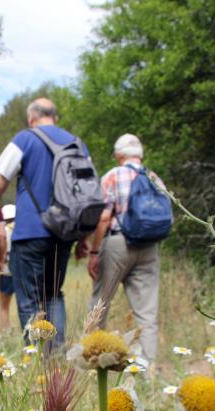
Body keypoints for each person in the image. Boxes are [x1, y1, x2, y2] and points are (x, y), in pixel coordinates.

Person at [0, 98, 89, 349]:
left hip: (30, 233)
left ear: (32, 118)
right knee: (54, 295)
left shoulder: (25, 139)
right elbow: (86, 195)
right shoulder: (77, 144)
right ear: (55, 118)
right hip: (64, 233)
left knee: (29, 299)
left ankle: (35, 356)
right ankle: (55, 355)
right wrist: (83, 238)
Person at [87, 134, 166, 363]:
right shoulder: (154, 178)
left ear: (118, 155)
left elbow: (104, 218)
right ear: (139, 155)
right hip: (150, 246)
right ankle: (146, 370)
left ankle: (95, 361)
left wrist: (94, 252)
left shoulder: (112, 175)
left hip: (117, 242)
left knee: (100, 304)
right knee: (147, 313)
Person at [0, 204, 16, 333]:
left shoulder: (3, 232)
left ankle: (6, 332)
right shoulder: (22, 230)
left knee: (3, 306)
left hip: (6, 270)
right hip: (22, 270)